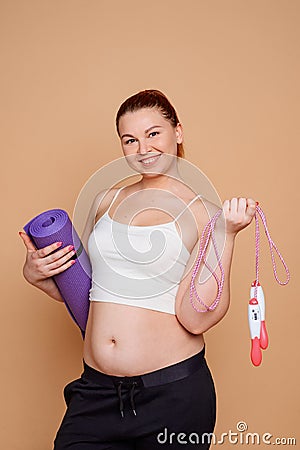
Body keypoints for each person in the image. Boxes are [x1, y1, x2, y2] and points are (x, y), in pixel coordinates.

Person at [20, 89, 256, 449]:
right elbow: (89, 292)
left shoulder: (205, 213)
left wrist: (228, 233)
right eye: (130, 139)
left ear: (178, 132)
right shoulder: (105, 201)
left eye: (153, 133)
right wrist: (38, 275)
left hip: (172, 396)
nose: (143, 149)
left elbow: (197, 318)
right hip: (96, 392)